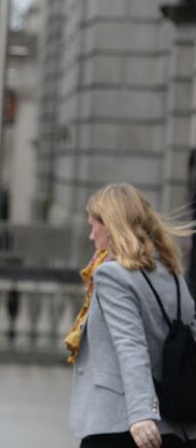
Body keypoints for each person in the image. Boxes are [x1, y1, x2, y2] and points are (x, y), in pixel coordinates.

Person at [67, 183, 196, 448]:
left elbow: (130, 345)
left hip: (121, 424)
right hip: (173, 424)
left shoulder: (112, 275)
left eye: (94, 225)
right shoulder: (172, 273)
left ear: (112, 225)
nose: (92, 236)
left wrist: (141, 413)